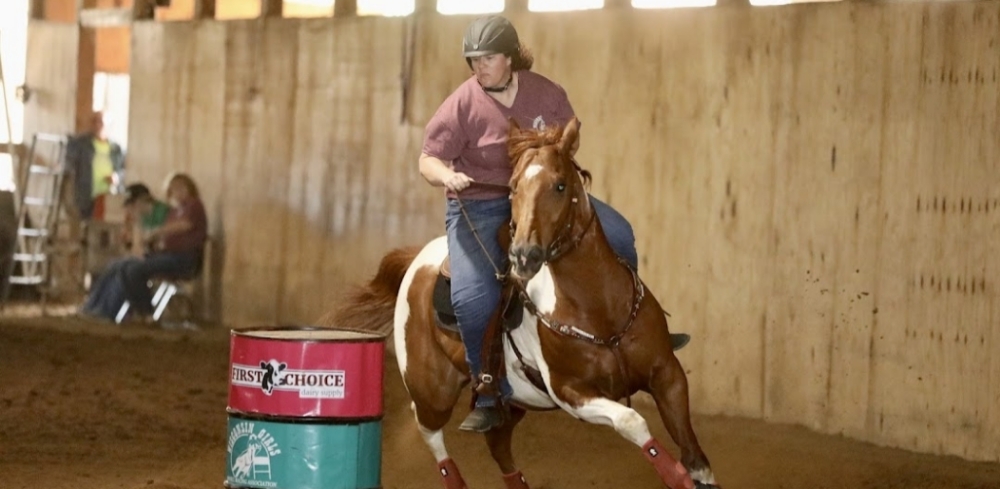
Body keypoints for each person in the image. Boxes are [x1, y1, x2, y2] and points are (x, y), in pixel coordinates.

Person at [419, 15, 687, 433]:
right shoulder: (461, 104)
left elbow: (565, 148)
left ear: (510, 57)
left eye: (487, 57)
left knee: (620, 236)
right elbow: (427, 159)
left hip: (542, 195)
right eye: (473, 59)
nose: (478, 66)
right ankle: (488, 389)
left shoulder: (547, 94)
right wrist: (446, 176)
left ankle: (638, 340)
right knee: (473, 297)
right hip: (480, 204)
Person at [79, 174, 206, 322]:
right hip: (167, 255)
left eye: (180, 187)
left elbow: (185, 225)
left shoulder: (193, 206)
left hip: (183, 258)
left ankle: (143, 313)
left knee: (133, 269)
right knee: (121, 266)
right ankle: (96, 308)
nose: (177, 192)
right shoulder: (175, 211)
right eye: (173, 189)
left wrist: (156, 233)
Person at [65, 111, 125, 221]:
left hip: (108, 195)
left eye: (101, 122)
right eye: (94, 121)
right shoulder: (80, 144)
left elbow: (123, 169)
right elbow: (69, 162)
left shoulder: (116, 148)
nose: (97, 125)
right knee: (87, 226)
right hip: (87, 194)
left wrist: (117, 177)